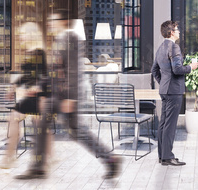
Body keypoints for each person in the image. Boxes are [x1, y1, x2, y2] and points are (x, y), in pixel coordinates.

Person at [16, 10, 120, 179]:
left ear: (64, 21)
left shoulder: (70, 38)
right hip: (56, 96)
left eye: (53, 20)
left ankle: (111, 159)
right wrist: (38, 87)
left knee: (78, 131)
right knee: (41, 124)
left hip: (67, 96)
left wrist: (71, 97)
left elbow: (73, 69)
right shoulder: (58, 40)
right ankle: (38, 167)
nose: (49, 23)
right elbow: (54, 71)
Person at [0, 22, 48, 169]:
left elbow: (45, 76)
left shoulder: (39, 52)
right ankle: (12, 158)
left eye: (23, 34)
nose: (21, 37)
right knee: (38, 127)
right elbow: (25, 76)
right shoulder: (30, 52)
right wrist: (12, 87)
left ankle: (10, 158)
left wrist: (37, 87)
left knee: (17, 120)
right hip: (31, 97)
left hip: (38, 97)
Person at [151, 20, 198, 166]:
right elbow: (177, 69)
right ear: (171, 32)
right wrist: (191, 67)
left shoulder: (160, 48)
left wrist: (164, 83)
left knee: (163, 123)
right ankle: (168, 157)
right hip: (173, 92)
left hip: (165, 91)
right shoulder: (174, 47)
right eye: (177, 29)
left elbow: (154, 71)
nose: (179, 31)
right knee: (170, 125)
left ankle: (163, 156)